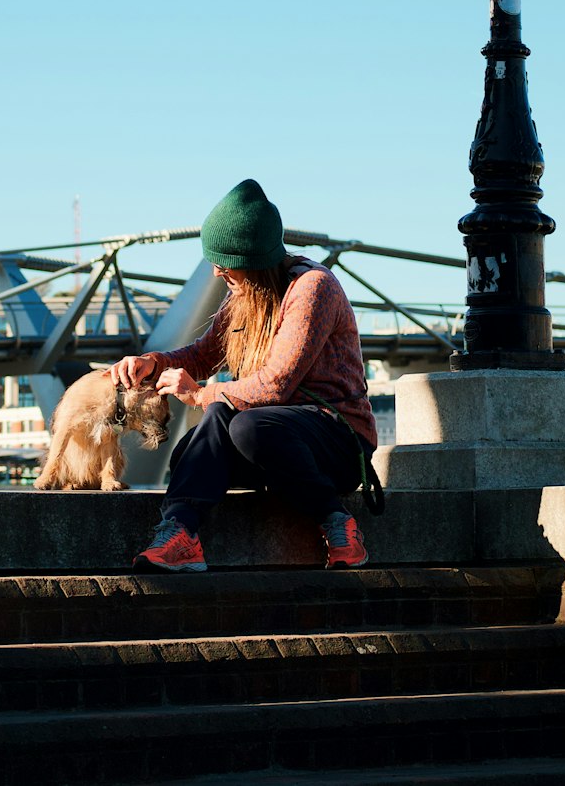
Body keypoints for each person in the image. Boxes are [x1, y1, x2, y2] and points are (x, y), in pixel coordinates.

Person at [109, 179, 378, 573]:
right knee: (211, 432)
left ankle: (338, 523)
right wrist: (154, 362)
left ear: (255, 258)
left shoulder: (312, 288)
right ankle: (180, 533)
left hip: (337, 442)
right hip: (273, 444)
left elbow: (275, 385)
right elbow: (203, 354)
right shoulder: (244, 295)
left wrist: (199, 394)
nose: (217, 270)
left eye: (225, 260)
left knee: (245, 423)